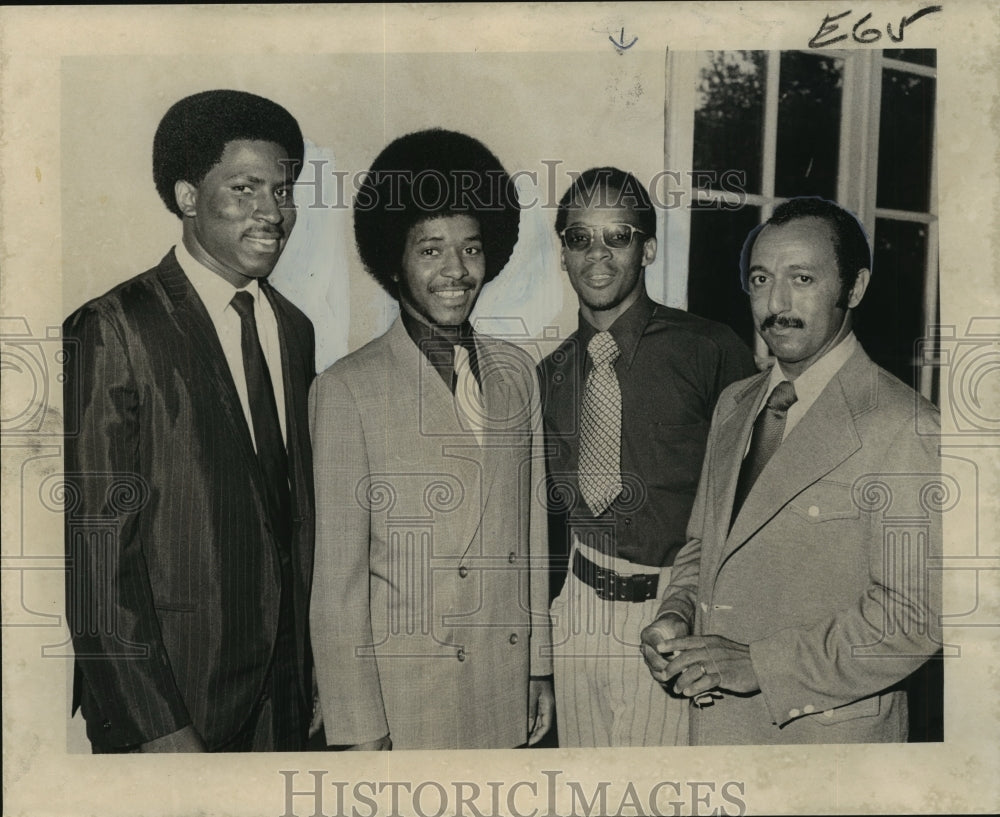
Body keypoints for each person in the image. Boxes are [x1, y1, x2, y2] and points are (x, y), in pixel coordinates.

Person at [63, 90, 316, 752]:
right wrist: (157, 726)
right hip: (178, 706)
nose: (273, 211)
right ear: (187, 197)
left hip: (286, 706)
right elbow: (95, 556)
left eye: (283, 190)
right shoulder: (114, 327)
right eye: (245, 188)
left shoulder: (294, 329)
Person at [640, 196, 943, 744]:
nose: (776, 301)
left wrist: (761, 666)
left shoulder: (905, 425)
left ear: (854, 288)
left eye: (802, 278)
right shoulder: (736, 403)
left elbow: (915, 617)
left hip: (826, 745)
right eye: (760, 279)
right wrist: (677, 614)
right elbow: (703, 546)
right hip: (715, 735)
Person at [309, 128, 553, 750]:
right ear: (394, 259)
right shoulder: (346, 391)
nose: (456, 272)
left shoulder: (517, 373)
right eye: (431, 250)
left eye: (471, 249)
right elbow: (337, 585)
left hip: (502, 682)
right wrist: (360, 729)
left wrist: (538, 667)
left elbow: (529, 539)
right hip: (407, 700)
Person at [538, 167, 755, 747]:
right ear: (563, 254)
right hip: (578, 615)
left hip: (674, 612)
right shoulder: (548, 375)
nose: (598, 255)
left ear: (648, 248)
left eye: (619, 236)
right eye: (580, 238)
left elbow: (757, 500)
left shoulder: (710, 350)